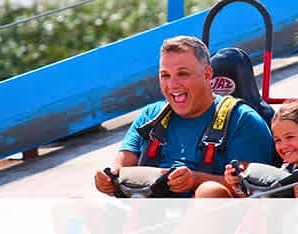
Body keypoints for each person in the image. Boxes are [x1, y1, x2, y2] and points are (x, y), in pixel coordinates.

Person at [94, 35, 273, 198]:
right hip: (148, 213)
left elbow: (251, 191)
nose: (173, 84)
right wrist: (106, 179)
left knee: (210, 192)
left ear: (207, 74)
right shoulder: (150, 117)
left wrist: (195, 180)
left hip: (213, 218)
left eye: (182, 74)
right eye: (165, 75)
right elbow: (120, 168)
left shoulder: (243, 120)